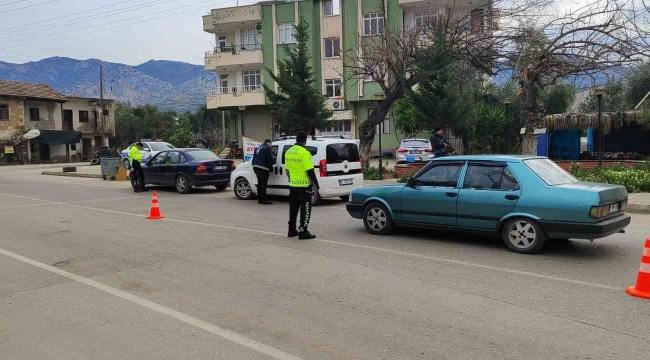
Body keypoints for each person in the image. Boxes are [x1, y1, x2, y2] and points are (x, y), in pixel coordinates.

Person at [284, 132, 319, 240]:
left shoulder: (288, 152)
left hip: (293, 185)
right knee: (306, 209)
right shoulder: (305, 152)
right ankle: (303, 231)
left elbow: (287, 169)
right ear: (305, 140)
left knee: (293, 208)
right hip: (304, 186)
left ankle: (291, 230)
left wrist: (291, 179)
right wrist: (316, 185)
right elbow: (309, 170)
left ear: (296, 139)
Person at [252, 139, 273, 205]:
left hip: (256, 167)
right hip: (263, 168)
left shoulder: (257, 148)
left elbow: (254, 158)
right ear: (268, 143)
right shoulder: (267, 148)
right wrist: (271, 168)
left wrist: (254, 165)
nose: (271, 145)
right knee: (263, 184)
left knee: (260, 184)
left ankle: (260, 199)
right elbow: (269, 159)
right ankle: (264, 201)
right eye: (270, 144)